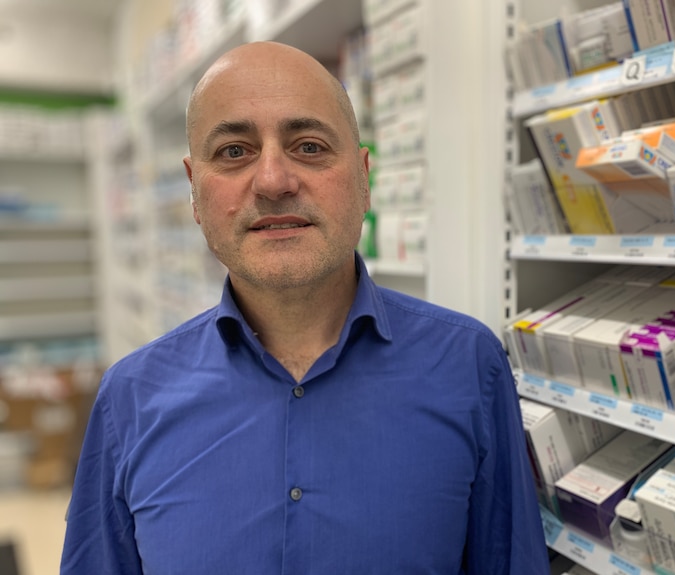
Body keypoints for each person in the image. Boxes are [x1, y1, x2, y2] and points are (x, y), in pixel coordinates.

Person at [60, 41, 549, 574]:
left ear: (364, 179)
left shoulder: (469, 366)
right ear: (194, 192)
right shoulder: (129, 399)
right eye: (234, 152)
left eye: (310, 146)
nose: (273, 181)